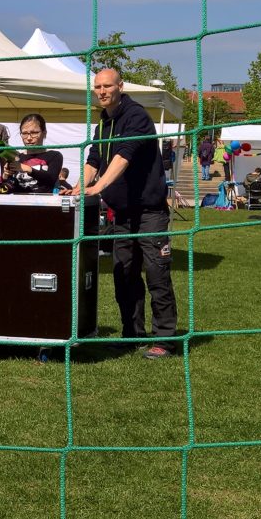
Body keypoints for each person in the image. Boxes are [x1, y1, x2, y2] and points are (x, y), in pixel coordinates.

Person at [66, 68, 177, 359]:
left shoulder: (136, 115)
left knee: (157, 274)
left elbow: (123, 156)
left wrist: (99, 187)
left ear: (120, 86)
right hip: (123, 214)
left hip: (150, 212)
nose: (102, 91)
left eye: (107, 86)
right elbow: (94, 158)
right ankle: (132, 334)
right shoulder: (103, 122)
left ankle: (165, 339)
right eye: (97, 87)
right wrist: (79, 188)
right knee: (124, 275)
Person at [1, 113, 62, 193]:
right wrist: (5, 176)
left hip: (45, 203)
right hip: (18, 203)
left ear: (44, 133)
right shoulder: (17, 157)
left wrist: (28, 169)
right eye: (25, 133)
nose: (29, 138)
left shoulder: (54, 155)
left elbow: (51, 179)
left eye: (34, 133)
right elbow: (8, 187)